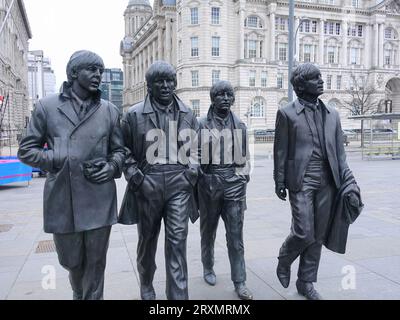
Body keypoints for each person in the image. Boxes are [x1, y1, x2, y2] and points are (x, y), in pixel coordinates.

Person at [18, 50, 126, 300]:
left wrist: (112, 167)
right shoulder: (47, 107)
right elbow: (26, 150)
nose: (98, 75)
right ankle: (79, 291)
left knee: (96, 264)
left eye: (100, 70)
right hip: (62, 200)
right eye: (92, 69)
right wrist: (55, 158)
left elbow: (120, 151)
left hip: (99, 198)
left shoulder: (109, 110)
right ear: (74, 73)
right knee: (72, 262)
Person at [273, 63, 356, 300]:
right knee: (303, 231)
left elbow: (340, 153)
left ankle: (306, 282)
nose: (321, 81)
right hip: (301, 179)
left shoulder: (333, 114)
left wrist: (348, 182)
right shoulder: (287, 113)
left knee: (317, 235)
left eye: (320, 77)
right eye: (314, 78)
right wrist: (279, 180)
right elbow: (280, 150)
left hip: (328, 180)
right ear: (301, 85)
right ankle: (285, 257)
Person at [118, 61, 200, 300]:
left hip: (179, 183)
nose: (166, 86)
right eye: (159, 81)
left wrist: (191, 173)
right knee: (147, 240)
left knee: (177, 241)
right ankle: (146, 283)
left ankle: (178, 297)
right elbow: (122, 150)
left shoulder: (188, 113)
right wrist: (136, 177)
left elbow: (197, 149)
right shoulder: (133, 115)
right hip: (148, 183)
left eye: (170, 81)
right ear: (149, 85)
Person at [198, 80, 253, 300]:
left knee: (235, 237)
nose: (225, 98)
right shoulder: (201, 124)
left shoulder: (239, 125)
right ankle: (208, 266)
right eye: (220, 95)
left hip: (233, 186)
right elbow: (193, 158)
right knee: (208, 232)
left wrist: (241, 179)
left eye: (229, 94)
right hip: (210, 185)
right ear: (213, 98)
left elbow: (244, 160)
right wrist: (204, 180)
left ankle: (240, 282)